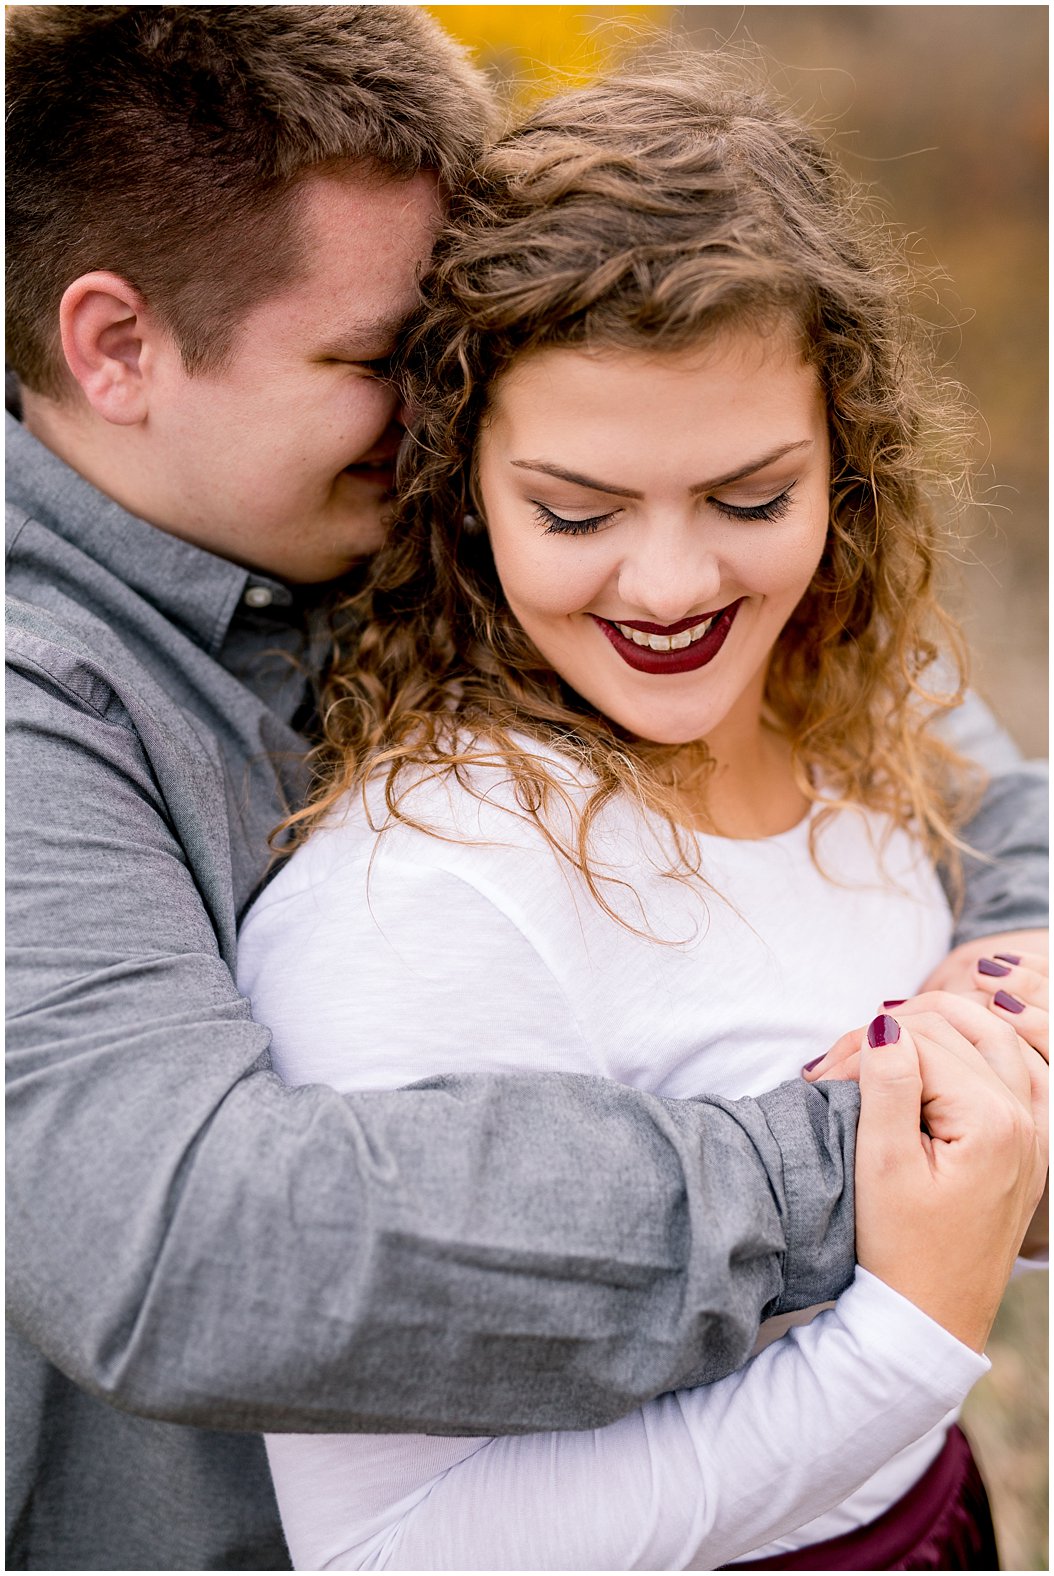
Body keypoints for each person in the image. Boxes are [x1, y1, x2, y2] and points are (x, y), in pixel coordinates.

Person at [4, 9, 1045, 1572]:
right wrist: (896, 1150)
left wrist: (1011, 990)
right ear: (116, 345)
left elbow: (960, 769)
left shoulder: (412, 520)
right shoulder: (41, 701)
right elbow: (186, 1249)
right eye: (384, 362)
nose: (442, 413)